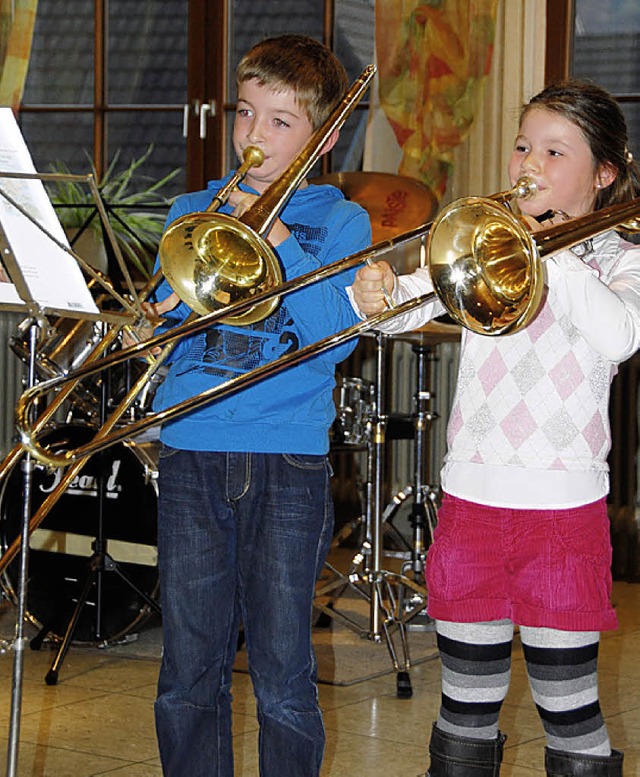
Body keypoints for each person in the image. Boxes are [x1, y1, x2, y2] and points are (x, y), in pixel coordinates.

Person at [350, 79, 640, 776]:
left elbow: (620, 333)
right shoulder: (487, 241)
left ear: (604, 174)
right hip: (472, 509)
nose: (527, 164)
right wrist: (377, 296)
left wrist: (555, 251)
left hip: (563, 520)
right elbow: (407, 307)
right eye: (521, 146)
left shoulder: (619, 260)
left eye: (552, 151)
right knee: (464, 708)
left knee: (569, 709)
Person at [143, 34, 371, 777]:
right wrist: (168, 303)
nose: (252, 135)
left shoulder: (340, 223)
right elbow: (158, 334)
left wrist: (279, 241)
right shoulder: (190, 208)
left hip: (289, 457)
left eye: (280, 121)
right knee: (188, 672)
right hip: (192, 449)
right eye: (246, 112)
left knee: (282, 675)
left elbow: (337, 339)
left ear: (325, 136)